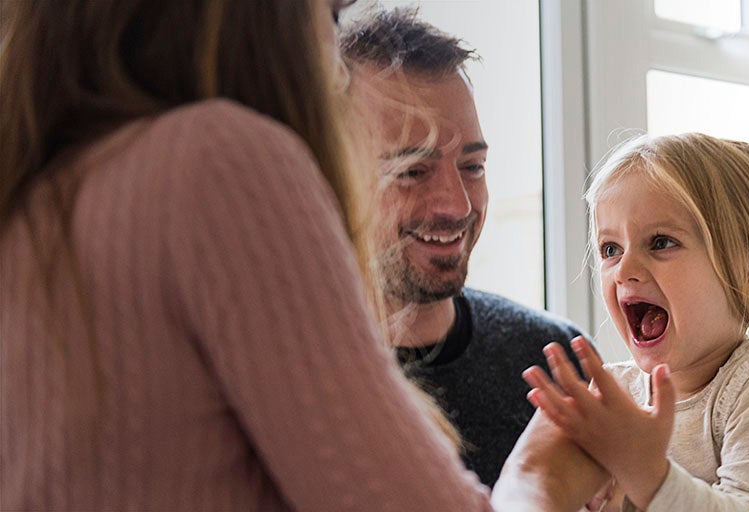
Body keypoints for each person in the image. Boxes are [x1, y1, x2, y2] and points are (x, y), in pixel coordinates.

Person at [0, 0, 604, 510]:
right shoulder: (215, 160)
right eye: (330, 10)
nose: (330, 54)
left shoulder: (37, 197)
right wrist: (543, 472)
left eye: (472, 165)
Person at [339, 7, 585, 486]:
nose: (456, 205)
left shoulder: (558, 363)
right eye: (412, 171)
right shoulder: (290, 379)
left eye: (472, 167)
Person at [525, 133, 749, 511]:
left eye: (661, 242)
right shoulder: (616, 394)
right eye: (610, 249)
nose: (625, 270)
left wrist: (646, 474)